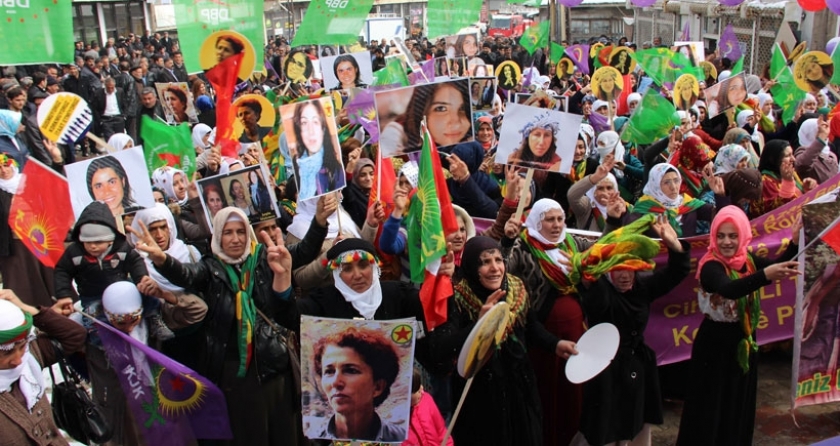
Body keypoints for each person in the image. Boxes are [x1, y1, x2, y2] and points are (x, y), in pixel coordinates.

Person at [130, 207, 303, 446]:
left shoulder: (265, 259)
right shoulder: (210, 267)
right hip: (234, 373)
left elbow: (287, 318)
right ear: (218, 235)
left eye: (241, 231)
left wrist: (283, 281)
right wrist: (162, 259)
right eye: (228, 232)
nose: (236, 239)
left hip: (274, 366)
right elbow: (186, 274)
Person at [429, 236, 578, 446]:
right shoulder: (457, 297)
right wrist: (480, 324)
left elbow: (530, 327)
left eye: (498, 260)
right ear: (471, 267)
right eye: (485, 262)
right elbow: (442, 349)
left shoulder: (516, 287)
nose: (495, 268)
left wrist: (555, 344)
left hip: (519, 386)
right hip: (480, 396)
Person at [676, 206, 801, 445]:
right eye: (721, 235)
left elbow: (778, 265)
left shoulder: (747, 260)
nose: (726, 242)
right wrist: (765, 276)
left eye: (733, 236)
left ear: (743, 235)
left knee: (737, 405)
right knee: (711, 408)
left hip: (744, 340)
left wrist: (794, 243)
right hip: (715, 345)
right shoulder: (711, 266)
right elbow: (729, 289)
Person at [572, 215, 690, 446]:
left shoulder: (643, 287)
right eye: (619, 269)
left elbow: (677, 272)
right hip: (605, 371)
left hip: (637, 367)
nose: (625, 276)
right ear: (608, 271)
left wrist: (673, 244)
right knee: (604, 427)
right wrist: (590, 277)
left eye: (630, 269)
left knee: (636, 425)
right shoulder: (601, 289)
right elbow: (596, 301)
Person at [0, 290, 86, 445]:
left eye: (22, 346)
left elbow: (74, 335)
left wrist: (26, 308)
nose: (18, 361)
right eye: (6, 353)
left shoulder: (30, 357)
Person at [310, 326, 406, 441]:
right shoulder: (310, 439)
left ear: (378, 387)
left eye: (350, 370)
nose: (335, 382)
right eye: (329, 371)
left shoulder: (401, 440)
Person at [0, 155, 57, 308]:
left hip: (37, 238)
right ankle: (25, 311)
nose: (4, 170)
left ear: (13, 165)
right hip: (13, 244)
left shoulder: (28, 183)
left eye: (6, 165)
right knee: (20, 280)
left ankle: (53, 309)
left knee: (47, 275)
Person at [380, 81, 472, 157]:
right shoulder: (396, 133)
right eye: (441, 108)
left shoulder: (471, 142)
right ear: (421, 112)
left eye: (462, 108)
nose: (456, 124)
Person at [291, 99, 346, 201]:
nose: (311, 130)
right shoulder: (298, 162)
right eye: (304, 122)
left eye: (315, 122)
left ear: (322, 127)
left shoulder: (333, 163)